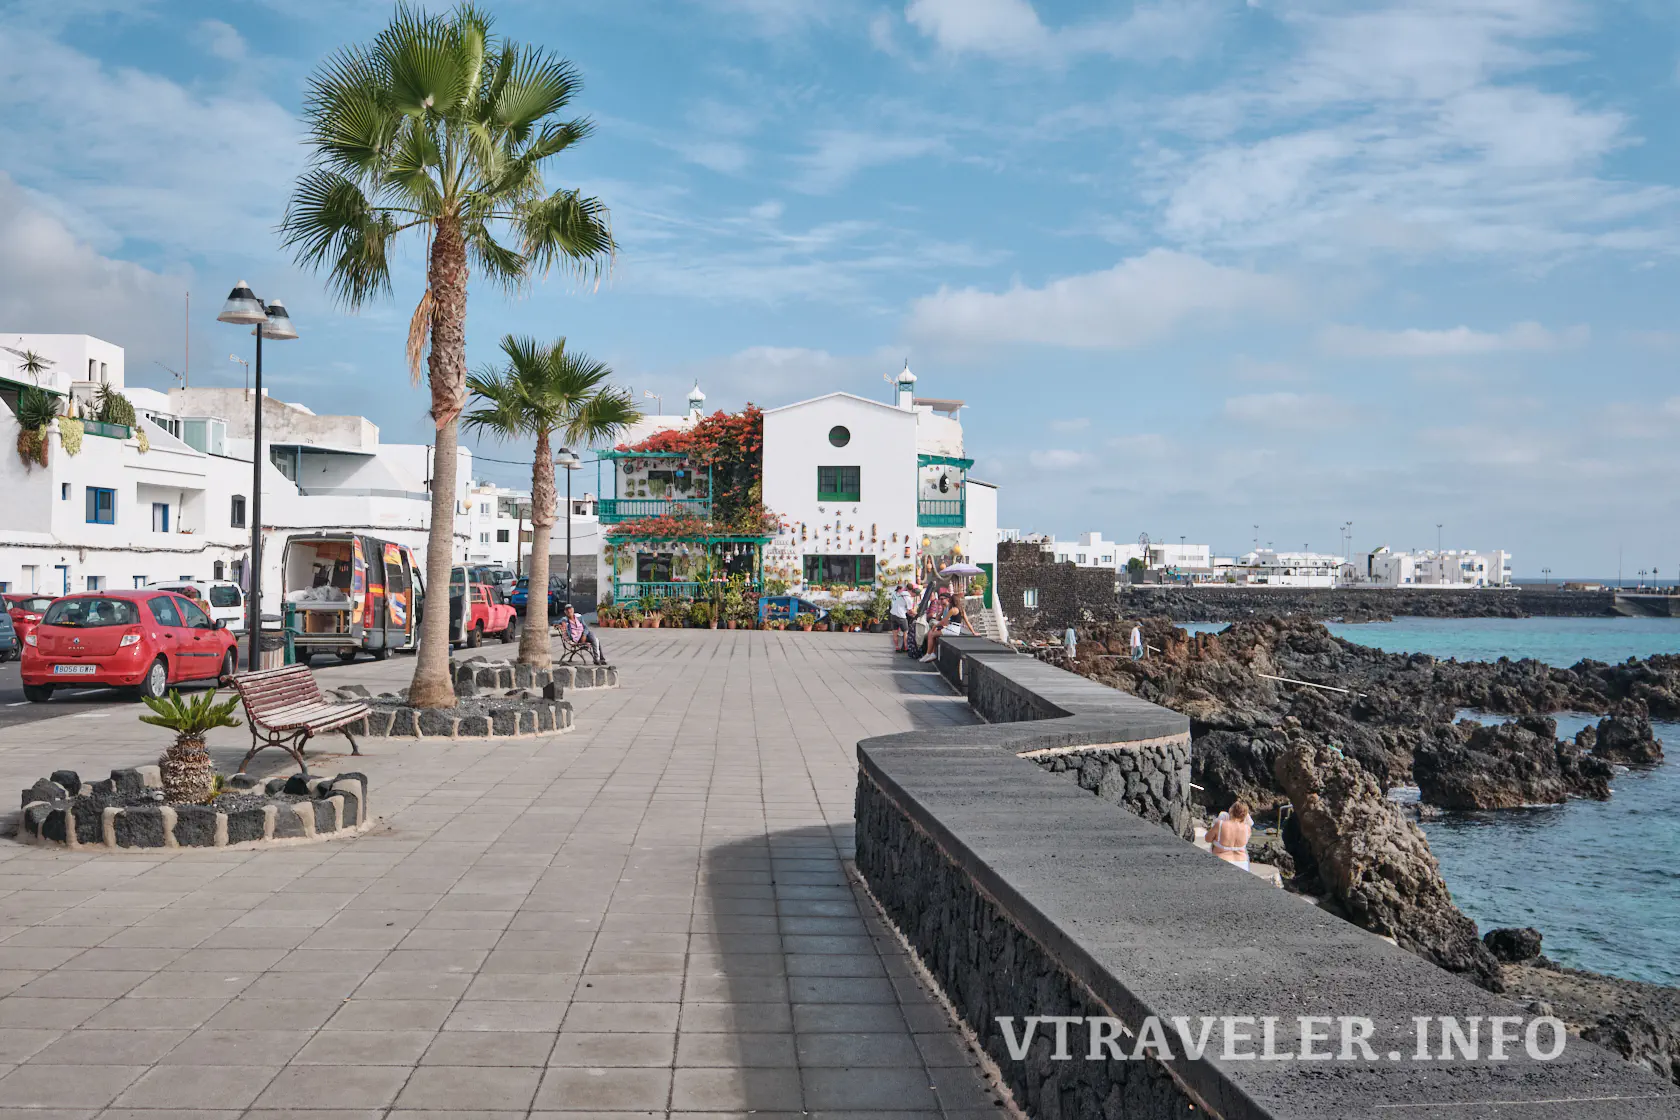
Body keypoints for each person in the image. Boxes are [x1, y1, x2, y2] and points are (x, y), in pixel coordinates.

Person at [1205, 802, 1252, 871]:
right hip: (1242, 863)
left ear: (1231, 810)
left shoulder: (1220, 824)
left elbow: (1207, 839)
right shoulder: (1247, 828)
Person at [889, 583, 911, 651]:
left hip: (893, 614)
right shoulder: (908, 597)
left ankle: (897, 647)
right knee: (905, 631)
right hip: (900, 615)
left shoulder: (898, 594)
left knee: (895, 633)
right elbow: (910, 609)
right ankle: (906, 647)